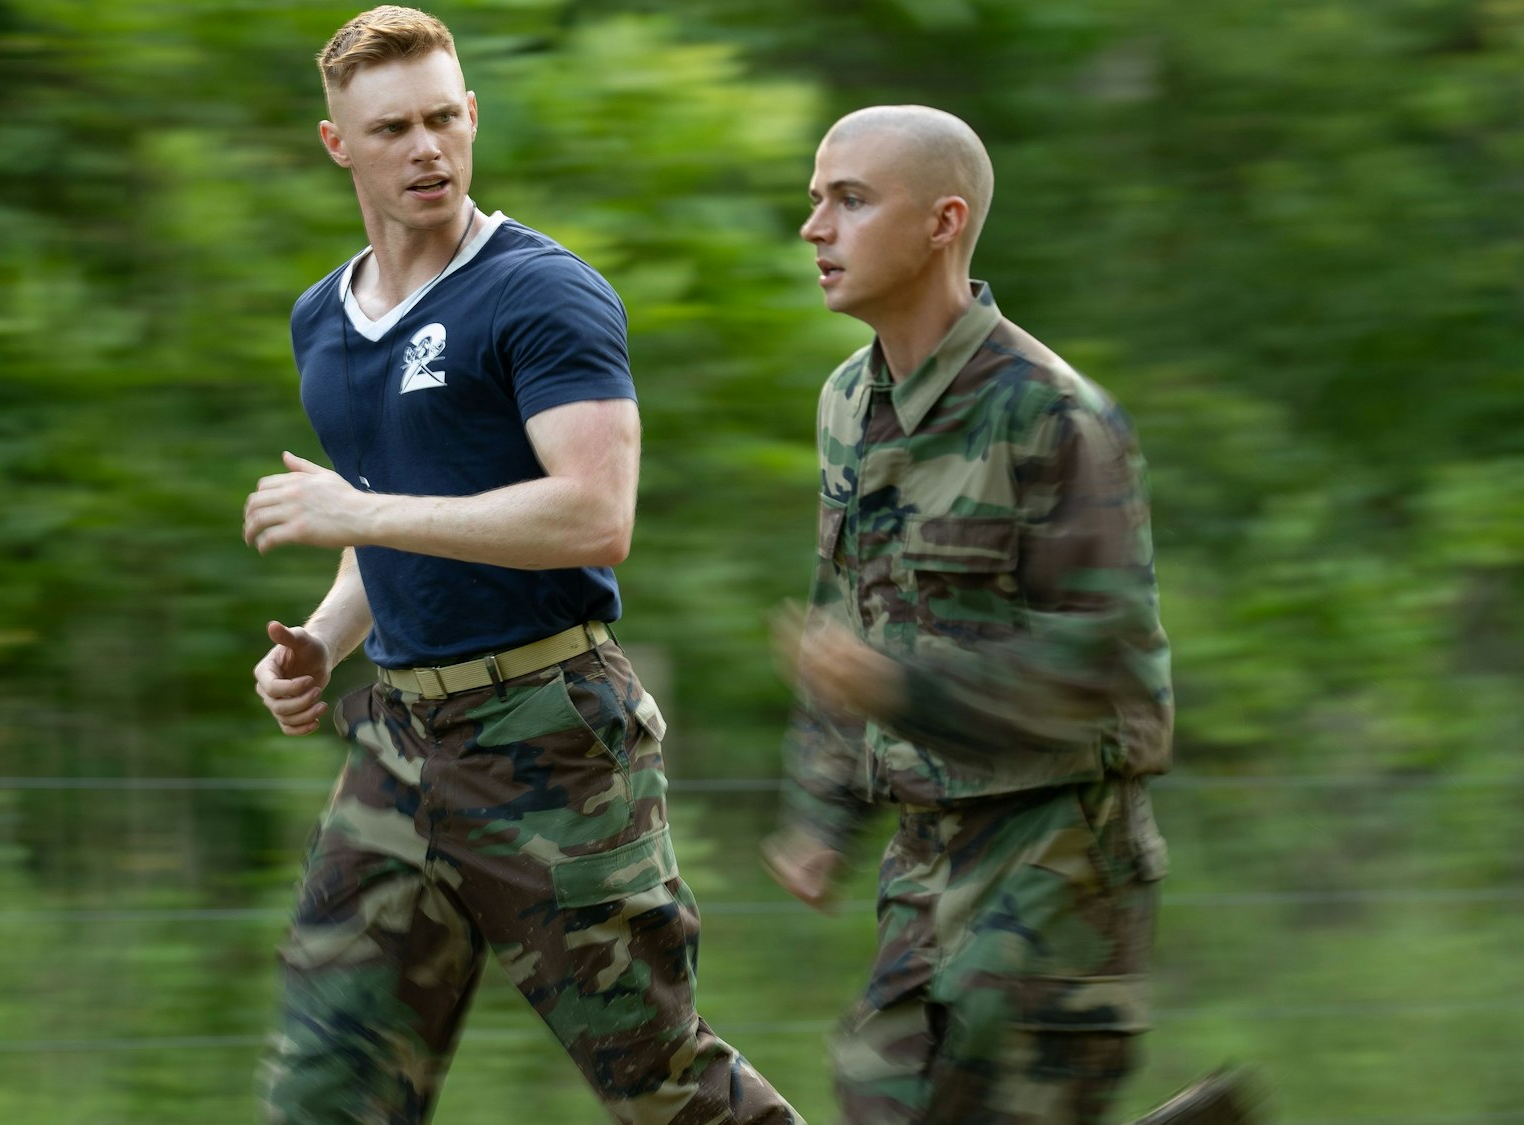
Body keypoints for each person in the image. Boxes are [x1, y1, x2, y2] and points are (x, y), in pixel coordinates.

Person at [241, 8, 801, 1124]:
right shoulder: (323, 319)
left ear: (473, 116)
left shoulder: (539, 292)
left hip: (549, 738)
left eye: (445, 118)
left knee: (661, 1088)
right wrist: (324, 636)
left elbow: (592, 515)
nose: (427, 149)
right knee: (325, 1090)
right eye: (392, 127)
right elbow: (394, 528)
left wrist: (356, 508)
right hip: (398, 746)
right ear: (336, 143)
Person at [764, 105, 1252, 1124]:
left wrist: (900, 688)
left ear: (942, 223)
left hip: (1059, 856)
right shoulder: (848, 405)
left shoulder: (1055, 415)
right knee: (877, 1094)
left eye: (849, 200)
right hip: (923, 850)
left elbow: (1106, 670)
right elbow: (840, 620)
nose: (814, 227)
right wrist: (821, 814)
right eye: (816, 199)